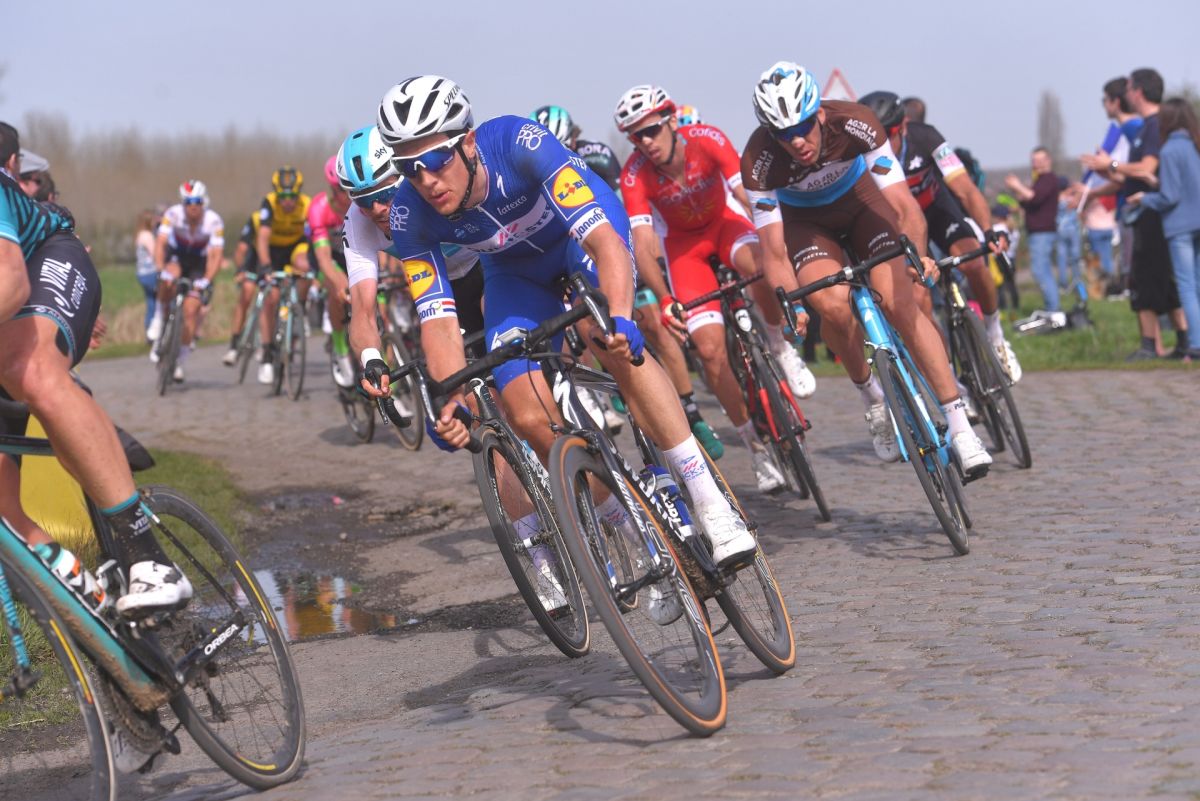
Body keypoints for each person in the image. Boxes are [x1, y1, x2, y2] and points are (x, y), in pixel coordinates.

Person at [366, 75, 758, 573]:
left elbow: (604, 244)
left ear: (467, 143)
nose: (425, 180)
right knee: (525, 411)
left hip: (581, 240)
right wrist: (453, 399)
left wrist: (620, 314)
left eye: (436, 159)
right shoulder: (408, 215)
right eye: (408, 168)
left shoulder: (519, 143)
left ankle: (709, 500)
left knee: (608, 339)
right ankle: (631, 527)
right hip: (514, 274)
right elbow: (439, 322)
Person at [741, 63, 991, 477]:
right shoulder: (758, 160)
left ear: (820, 114)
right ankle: (872, 397)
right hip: (808, 225)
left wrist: (917, 256)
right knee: (832, 306)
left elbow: (903, 206)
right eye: (783, 133)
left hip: (863, 205)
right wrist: (792, 305)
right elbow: (773, 250)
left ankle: (961, 427)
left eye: (802, 126)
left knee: (900, 303)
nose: (796, 140)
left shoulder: (856, 121)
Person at [0, 121, 192, 615]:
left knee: (30, 368)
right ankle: (93, 603)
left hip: (44, 259)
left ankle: (149, 558)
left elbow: (11, 281)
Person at [613, 83, 817, 492]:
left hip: (725, 225)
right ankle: (756, 448)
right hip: (684, 249)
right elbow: (644, 243)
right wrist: (665, 298)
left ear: (671, 120)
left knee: (761, 266)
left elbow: (748, 194)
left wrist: (776, 242)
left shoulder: (707, 138)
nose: (645, 142)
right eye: (636, 137)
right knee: (709, 351)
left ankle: (779, 344)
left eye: (650, 130)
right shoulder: (634, 174)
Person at [531, 103, 723, 453]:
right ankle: (608, 389)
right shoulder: (533, 169)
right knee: (584, 323)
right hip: (569, 253)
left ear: (574, 138)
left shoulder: (598, 155)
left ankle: (692, 411)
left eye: (565, 145)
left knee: (655, 325)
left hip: (610, 238)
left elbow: (621, 211)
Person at [859, 90, 1020, 381]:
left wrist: (988, 230)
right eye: (875, 137)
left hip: (937, 209)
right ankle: (949, 380)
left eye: (889, 135)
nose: (882, 144)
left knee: (974, 262)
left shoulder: (926, 137)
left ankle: (996, 335)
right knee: (920, 299)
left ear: (903, 127)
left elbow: (965, 189)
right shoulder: (863, 158)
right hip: (902, 224)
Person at [1082, 68, 1187, 359]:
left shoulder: (1153, 125)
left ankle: (1150, 346)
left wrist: (1111, 165)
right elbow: (1129, 177)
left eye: (1128, 88)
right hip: (1145, 211)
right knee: (1161, 277)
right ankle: (1182, 340)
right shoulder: (1146, 127)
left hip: (1151, 212)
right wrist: (1102, 176)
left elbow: (1146, 169)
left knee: (1143, 277)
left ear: (1138, 92)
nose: (1126, 94)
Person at [1130, 98, 1200, 360]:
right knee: (1198, 284)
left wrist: (1144, 198)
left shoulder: (1169, 150)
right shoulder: (1195, 145)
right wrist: (1157, 182)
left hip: (1180, 226)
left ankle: (1196, 344)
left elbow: (1169, 197)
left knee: (1186, 286)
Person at [146, 180, 225, 382]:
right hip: (177, 256)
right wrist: (160, 268)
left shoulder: (214, 221)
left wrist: (207, 280)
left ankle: (180, 360)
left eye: (197, 202)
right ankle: (158, 318)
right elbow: (161, 243)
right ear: (183, 203)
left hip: (198, 261)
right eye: (188, 202)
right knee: (168, 277)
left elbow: (216, 255)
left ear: (204, 202)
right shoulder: (173, 214)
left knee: (191, 309)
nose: (193, 207)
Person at [253, 167, 312, 383]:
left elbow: (313, 238)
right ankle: (267, 354)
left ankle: (300, 308)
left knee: (305, 267)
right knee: (272, 298)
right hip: (273, 251)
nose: (287, 202)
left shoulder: (307, 205)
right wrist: (266, 267)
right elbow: (262, 238)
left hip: (296, 247)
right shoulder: (269, 203)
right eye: (283, 197)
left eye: (292, 197)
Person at [308, 155, 355, 387]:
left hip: (353, 255)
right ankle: (340, 349)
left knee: (382, 308)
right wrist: (339, 281)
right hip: (329, 259)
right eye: (341, 190)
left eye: (350, 189)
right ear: (333, 189)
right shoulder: (319, 208)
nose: (347, 196)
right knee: (337, 289)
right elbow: (324, 259)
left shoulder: (360, 204)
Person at [1006, 148, 1061, 313]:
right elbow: (1029, 201)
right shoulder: (1039, 180)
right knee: (1043, 270)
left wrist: (1017, 186)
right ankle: (1052, 307)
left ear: (1048, 160)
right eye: (1034, 161)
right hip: (1038, 232)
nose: (1036, 164)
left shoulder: (1048, 179)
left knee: (1039, 270)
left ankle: (1053, 308)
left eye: (1040, 160)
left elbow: (1034, 197)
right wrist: (1018, 192)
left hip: (1043, 232)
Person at [134, 208, 159, 335]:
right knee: (159, 302)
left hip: (142, 273)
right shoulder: (147, 236)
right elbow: (155, 254)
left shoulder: (139, 234)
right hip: (150, 273)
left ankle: (149, 330)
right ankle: (154, 329)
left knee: (151, 301)